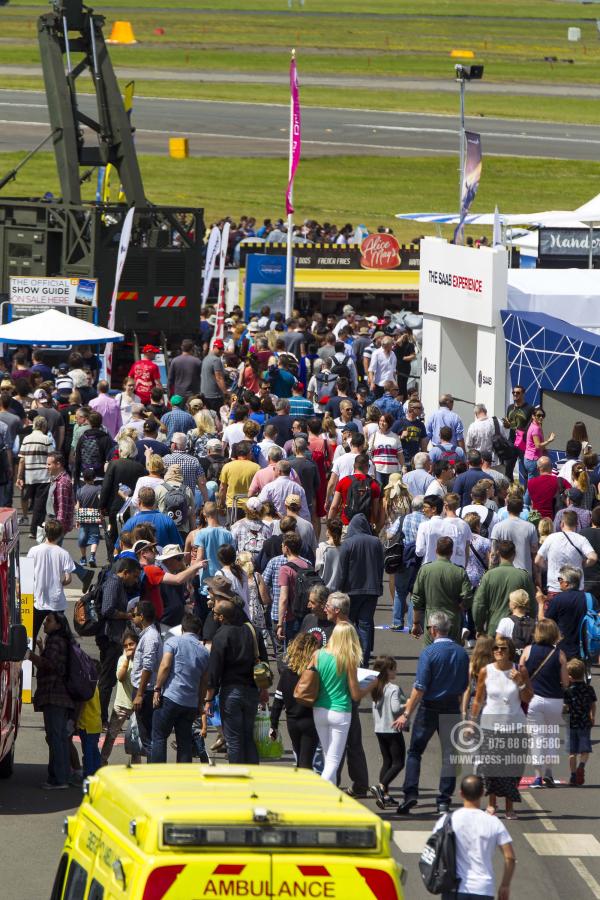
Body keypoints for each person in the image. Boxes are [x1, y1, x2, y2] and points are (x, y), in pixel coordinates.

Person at [395, 611, 470, 814]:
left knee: (415, 751)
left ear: (434, 630)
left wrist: (406, 713)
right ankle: (444, 800)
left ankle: (410, 794)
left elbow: (420, 687)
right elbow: (465, 686)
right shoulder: (462, 653)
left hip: (429, 707)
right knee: (449, 755)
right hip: (451, 707)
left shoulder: (429, 653)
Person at [470, 636, 532, 819]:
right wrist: (472, 722)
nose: (498, 651)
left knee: (512, 769)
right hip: (490, 727)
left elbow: (528, 698)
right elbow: (479, 699)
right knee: (491, 768)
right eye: (496, 648)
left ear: (510, 651)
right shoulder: (485, 671)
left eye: (503, 648)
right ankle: (491, 804)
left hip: (515, 726)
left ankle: (510, 807)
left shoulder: (519, 670)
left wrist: (520, 682)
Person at [204, 599, 270, 764]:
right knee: (248, 736)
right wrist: (263, 689)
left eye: (215, 613)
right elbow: (264, 661)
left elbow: (214, 670)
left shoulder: (221, 635)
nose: (213, 616)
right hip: (251, 690)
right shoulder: (252, 630)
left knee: (233, 740)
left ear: (221, 617)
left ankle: (236, 779)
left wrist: (208, 699)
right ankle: (252, 776)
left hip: (231, 692)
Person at [431, 774, 516, 900]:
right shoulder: (493, 822)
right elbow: (510, 857)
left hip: (454, 888)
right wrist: (505, 884)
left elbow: (434, 850)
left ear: (461, 794)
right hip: (483, 889)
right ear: (482, 793)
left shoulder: (447, 820)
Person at [312, 621, 372, 783]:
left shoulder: (318, 655)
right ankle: (321, 790)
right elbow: (355, 694)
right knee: (333, 760)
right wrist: (371, 684)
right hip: (340, 711)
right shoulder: (348, 659)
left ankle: (328, 796)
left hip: (319, 709)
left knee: (327, 755)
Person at [151, 612, 209, 763]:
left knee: (159, 737)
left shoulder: (173, 642)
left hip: (171, 697)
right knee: (184, 743)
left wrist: (157, 688)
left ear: (183, 629)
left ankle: (156, 773)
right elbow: (204, 682)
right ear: (198, 631)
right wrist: (200, 703)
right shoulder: (204, 652)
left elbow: (165, 666)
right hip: (190, 703)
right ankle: (183, 778)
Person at [520, 618, 569, 788]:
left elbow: (520, 672)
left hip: (534, 699)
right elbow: (566, 682)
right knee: (552, 736)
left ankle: (537, 776)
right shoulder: (560, 655)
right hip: (554, 699)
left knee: (536, 738)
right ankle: (549, 772)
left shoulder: (528, 650)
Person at [28, 611, 74, 790]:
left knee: (56, 737)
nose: (45, 623)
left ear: (58, 625)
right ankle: (58, 776)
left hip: (55, 695)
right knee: (59, 737)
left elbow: (50, 665)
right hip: (61, 696)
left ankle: (59, 778)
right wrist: (40, 650)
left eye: (49, 621)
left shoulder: (56, 641)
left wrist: (30, 656)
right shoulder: (61, 641)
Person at [332, 512, 384, 667]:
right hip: (372, 590)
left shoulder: (348, 543)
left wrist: (339, 589)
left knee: (347, 625)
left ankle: (348, 658)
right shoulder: (376, 542)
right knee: (366, 625)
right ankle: (364, 661)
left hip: (351, 590)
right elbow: (381, 566)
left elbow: (343, 569)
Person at [97, 557, 141, 726]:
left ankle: (102, 716)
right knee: (107, 679)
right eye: (134, 576)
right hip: (110, 637)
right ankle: (101, 718)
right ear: (125, 572)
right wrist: (127, 615)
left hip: (115, 635)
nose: (135, 580)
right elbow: (107, 609)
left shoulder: (119, 584)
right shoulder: (114, 583)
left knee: (109, 679)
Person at [269, 632, 320, 769]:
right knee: (307, 761)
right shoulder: (314, 673)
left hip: (292, 722)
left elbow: (278, 700)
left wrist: (273, 725)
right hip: (310, 721)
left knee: (299, 757)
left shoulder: (287, 673)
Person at [411, 537, 473, 645]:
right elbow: (468, 596)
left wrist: (416, 622)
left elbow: (417, 598)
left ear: (436, 550)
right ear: (451, 552)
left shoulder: (425, 569)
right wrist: (460, 608)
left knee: (431, 653)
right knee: (452, 652)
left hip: (432, 617)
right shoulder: (459, 571)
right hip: (452, 618)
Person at [473, 540, 536, 637]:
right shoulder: (523, 576)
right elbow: (532, 604)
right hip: (518, 629)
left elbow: (479, 604)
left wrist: (479, 627)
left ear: (498, 553)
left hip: (494, 626)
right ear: (514, 554)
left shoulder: (489, 576)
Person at [27, 519, 75, 644]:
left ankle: (29, 661)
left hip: (39, 599)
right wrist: (60, 581)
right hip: (57, 600)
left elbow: (26, 574)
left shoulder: (34, 551)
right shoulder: (64, 553)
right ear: (60, 535)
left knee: (31, 634)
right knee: (58, 635)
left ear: (45, 532)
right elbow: (68, 579)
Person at [369, 656, 406, 809]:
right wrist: (409, 703)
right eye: (393, 668)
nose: (396, 671)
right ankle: (381, 786)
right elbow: (396, 708)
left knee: (387, 761)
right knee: (398, 763)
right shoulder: (393, 688)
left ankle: (385, 795)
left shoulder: (375, 686)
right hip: (392, 729)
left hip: (379, 729)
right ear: (387, 671)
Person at [100, 630, 141, 765]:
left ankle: (136, 764)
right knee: (111, 735)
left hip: (136, 705)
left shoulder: (142, 660)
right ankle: (102, 760)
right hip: (122, 704)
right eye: (126, 645)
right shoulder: (123, 659)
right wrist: (127, 660)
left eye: (132, 644)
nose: (129, 648)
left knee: (134, 736)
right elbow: (120, 677)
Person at [535, 510, 597, 598]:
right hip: (576, 588)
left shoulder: (551, 538)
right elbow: (593, 557)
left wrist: (548, 566)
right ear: (577, 524)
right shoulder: (581, 539)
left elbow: (537, 560)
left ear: (562, 524)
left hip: (555, 587)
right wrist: (584, 564)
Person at [99, 437, 146, 552]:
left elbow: (106, 486)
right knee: (131, 536)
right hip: (133, 507)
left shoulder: (114, 464)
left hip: (115, 506)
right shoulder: (140, 467)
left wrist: (101, 506)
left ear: (121, 450)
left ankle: (115, 560)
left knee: (115, 536)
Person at [130, 600, 164, 757]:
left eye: (134, 615)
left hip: (145, 691)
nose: (132, 618)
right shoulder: (147, 635)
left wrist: (139, 695)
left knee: (148, 738)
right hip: (143, 689)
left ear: (142, 617)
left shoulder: (150, 637)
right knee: (147, 737)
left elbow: (148, 667)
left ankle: (154, 772)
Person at [17, 414, 53, 539]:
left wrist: (19, 477)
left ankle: (28, 521)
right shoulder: (46, 439)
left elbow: (22, 460)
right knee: (40, 505)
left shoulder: (26, 439)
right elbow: (51, 457)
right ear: (43, 426)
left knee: (27, 499)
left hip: (29, 475)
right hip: (43, 476)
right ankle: (35, 530)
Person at [545, 564, 592, 661]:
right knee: (579, 675)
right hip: (586, 649)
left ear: (566, 583)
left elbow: (547, 622)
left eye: (560, 579)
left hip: (563, 650)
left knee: (564, 675)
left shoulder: (558, 599)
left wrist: (541, 604)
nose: (559, 582)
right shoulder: (590, 598)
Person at [564, 658, 597, 786]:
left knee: (572, 753)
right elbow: (593, 704)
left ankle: (573, 776)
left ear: (570, 676)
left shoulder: (568, 690)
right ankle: (581, 766)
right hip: (585, 722)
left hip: (571, 723)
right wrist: (592, 716)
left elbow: (565, 707)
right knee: (585, 750)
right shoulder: (589, 689)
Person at [328, 452, 381, 529]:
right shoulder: (374, 485)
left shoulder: (344, 481)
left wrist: (329, 525)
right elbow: (375, 511)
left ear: (354, 466)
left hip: (347, 524)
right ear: (368, 467)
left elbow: (333, 507)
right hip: (365, 526)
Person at [490, 496, 539, 576]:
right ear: (521, 510)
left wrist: (491, 571)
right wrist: (537, 574)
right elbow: (534, 552)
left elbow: (493, 553)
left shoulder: (497, 527)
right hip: (524, 572)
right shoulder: (530, 527)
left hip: (503, 573)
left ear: (507, 509)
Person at [219, 440, 261, 517]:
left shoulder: (227, 466)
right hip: (251, 506)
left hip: (232, 505)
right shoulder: (256, 467)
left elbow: (222, 488)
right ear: (249, 453)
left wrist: (221, 504)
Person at [524, 456, 568, 520]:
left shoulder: (531, 482)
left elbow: (532, 502)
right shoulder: (560, 481)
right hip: (553, 519)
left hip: (535, 518)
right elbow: (570, 493)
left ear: (538, 468)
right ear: (551, 467)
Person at [368, 412, 404, 488]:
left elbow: (400, 454)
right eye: (380, 421)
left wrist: (403, 467)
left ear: (389, 423)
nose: (382, 423)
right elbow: (369, 453)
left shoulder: (395, 437)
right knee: (379, 490)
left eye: (384, 421)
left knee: (391, 491)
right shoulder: (374, 436)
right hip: (378, 469)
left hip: (393, 470)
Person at [77, 675, 102, 778]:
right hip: (96, 723)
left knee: (87, 751)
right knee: (94, 749)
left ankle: (89, 773)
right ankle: (97, 771)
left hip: (87, 724)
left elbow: (82, 705)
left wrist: (76, 719)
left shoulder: (86, 689)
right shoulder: (95, 687)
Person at [76, 468, 101, 567]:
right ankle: (92, 556)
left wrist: (77, 519)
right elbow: (100, 500)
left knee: (82, 538)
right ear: (94, 478)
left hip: (83, 516)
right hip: (94, 514)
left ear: (83, 478)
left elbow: (78, 506)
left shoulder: (80, 491)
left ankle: (83, 558)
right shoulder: (98, 489)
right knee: (94, 536)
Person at [524, 406, 555, 481]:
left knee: (533, 484)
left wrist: (544, 450)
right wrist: (549, 440)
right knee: (533, 486)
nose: (541, 417)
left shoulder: (535, 425)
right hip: (533, 460)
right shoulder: (536, 428)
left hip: (529, 459)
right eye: (538, 415)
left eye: (542, 415)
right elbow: (537, 446)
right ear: (533, 416)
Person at [316, 517, 343, 589]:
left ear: (328, 531)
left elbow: (317, 568)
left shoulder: (321, 547)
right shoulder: (344, 548)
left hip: (324, 588)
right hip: (339, 589)